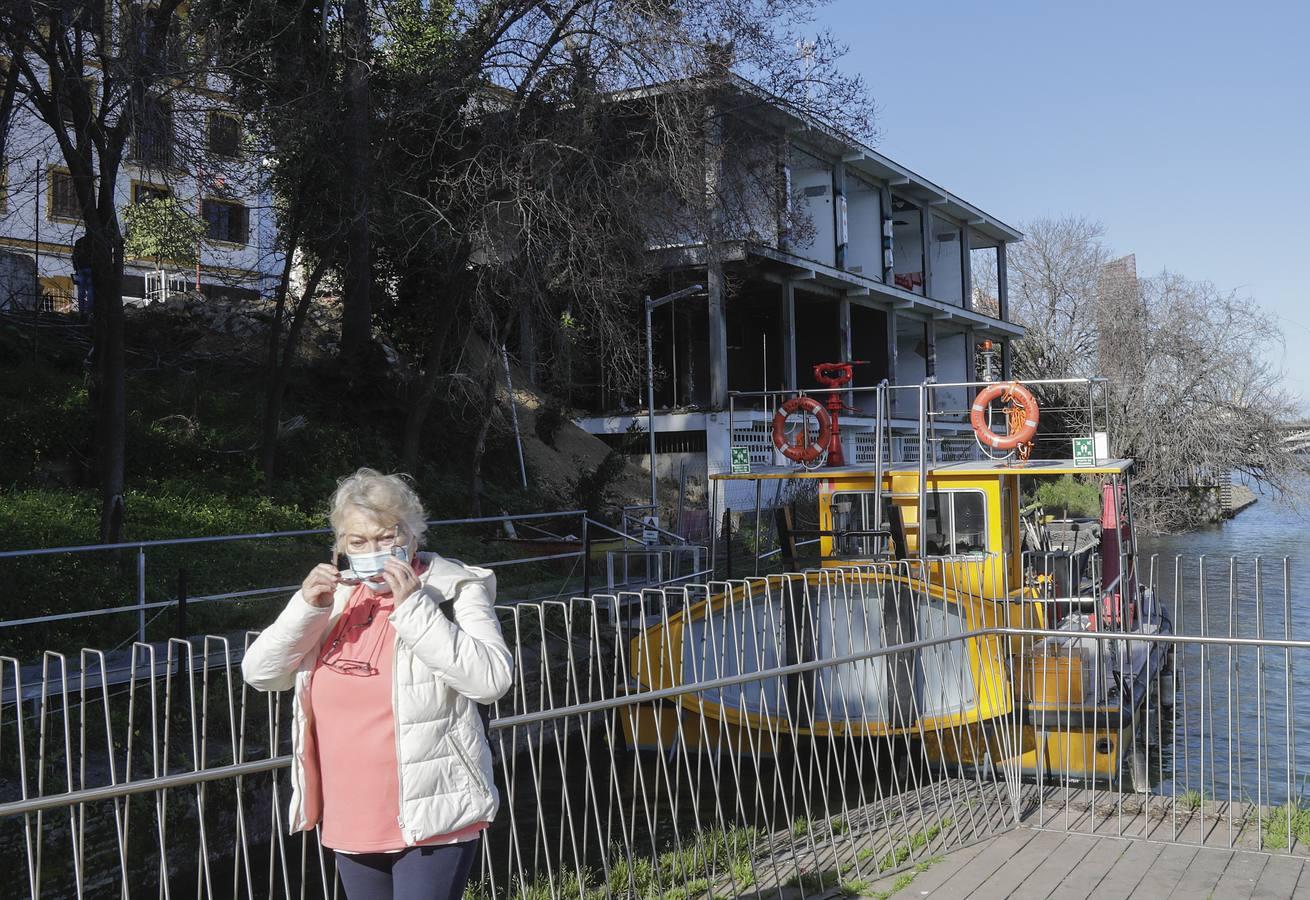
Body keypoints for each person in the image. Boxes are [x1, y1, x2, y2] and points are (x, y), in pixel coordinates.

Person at [243, 468, 513, 900]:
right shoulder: (338, 599)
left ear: (413, 536)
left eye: (387, 537)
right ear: (341, 547)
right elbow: (261, 674)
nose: (374, 551)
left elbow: (492, 681)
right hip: (351, 817)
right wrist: (305, 608)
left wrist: (414, 609)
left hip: (433, 815)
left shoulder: (454, 589)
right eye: (358, 542)